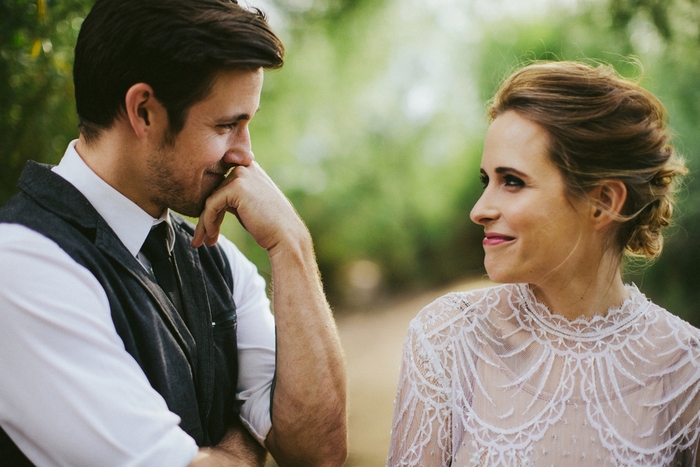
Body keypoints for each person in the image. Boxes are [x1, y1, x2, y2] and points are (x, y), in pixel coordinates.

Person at [0, 0, 347, 466]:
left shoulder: (219, 261)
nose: (245, 155)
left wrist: (292, 245)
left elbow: (317, 452)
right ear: (144, 111)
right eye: (227, 125)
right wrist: (244, 439)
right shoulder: (22, 265)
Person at [387, 61, 700, 466]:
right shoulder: (447, 340)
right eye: (487, 181)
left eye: (512, 181)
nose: (479, 210)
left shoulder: (686, 371)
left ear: (603, 202)